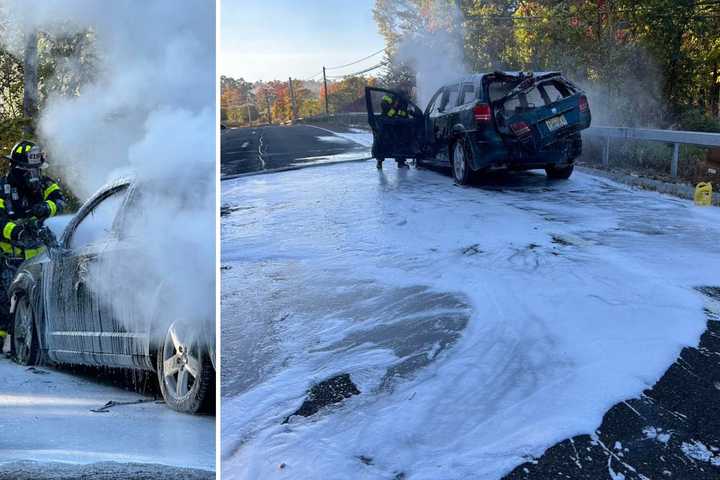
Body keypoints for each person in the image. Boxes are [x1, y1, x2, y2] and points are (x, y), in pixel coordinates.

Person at [0, 140, 66, 344]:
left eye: (37, 170)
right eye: (30, 171)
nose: (34, 176)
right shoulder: (2, 189)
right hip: (9, 259)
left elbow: (59, 200)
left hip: (39, 258)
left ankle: (33, 342)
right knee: (4, 304)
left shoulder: (45, 184)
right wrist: (17, 232)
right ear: (17, 169)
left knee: (39, 303)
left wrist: (46, 208)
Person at [376, 92, 411, 169]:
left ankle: (401, 162)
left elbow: (403, 111)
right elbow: (385, 107)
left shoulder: (403, 98)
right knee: (384, 142)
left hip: (399, 124)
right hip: (388, 123)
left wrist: (407, 116)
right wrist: (394, 109)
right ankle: (380, 161)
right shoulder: (391, 95)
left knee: (400, 143)